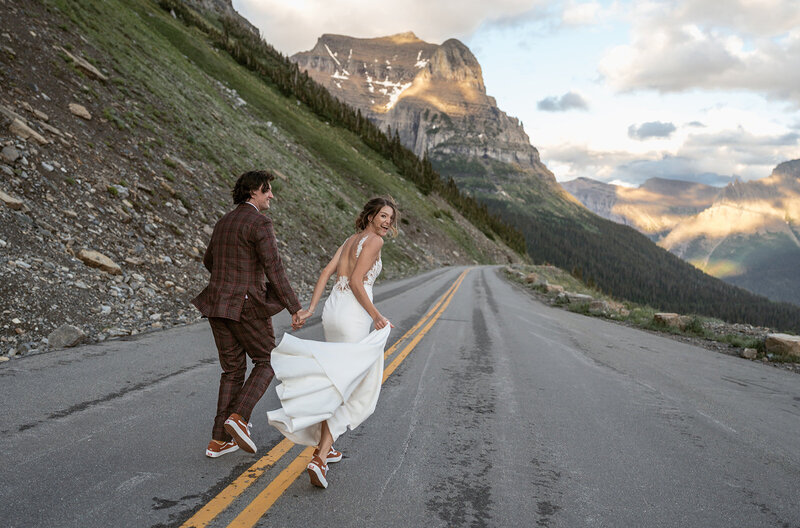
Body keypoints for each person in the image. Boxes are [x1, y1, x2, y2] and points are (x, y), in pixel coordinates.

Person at [266, 196, 398, 488]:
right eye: (383, 216)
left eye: (390, 218)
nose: (388, 222)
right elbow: (356, 282)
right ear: (370, 216)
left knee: (339, 379)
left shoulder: (350, 240)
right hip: (353, 314)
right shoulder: (375, 242)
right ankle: (320, 457)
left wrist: (311, 309)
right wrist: (377, 316)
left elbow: (327, 273)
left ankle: (326, 448)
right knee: (353, 386)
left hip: (333, 312)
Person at [192, 170, 310, 458]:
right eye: (267, 190)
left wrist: (228, 280)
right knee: (268, 359)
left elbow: (209, 260)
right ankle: (239, 417)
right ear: (254, 191)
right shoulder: (260, 222)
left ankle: (218, 441)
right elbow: (274, 268)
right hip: (245, 305)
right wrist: (295, 307)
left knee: (232, 370)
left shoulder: (223, 222)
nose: (271, 195)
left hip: (217, 304)